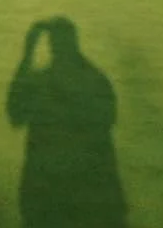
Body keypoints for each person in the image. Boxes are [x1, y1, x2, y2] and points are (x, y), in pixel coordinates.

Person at [7, 17, 127, 228]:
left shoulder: (50, 83)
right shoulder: (92, 80)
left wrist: (27, 54)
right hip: (73, 193)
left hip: (65, 193)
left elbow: (16, 113)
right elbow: (15, 112)